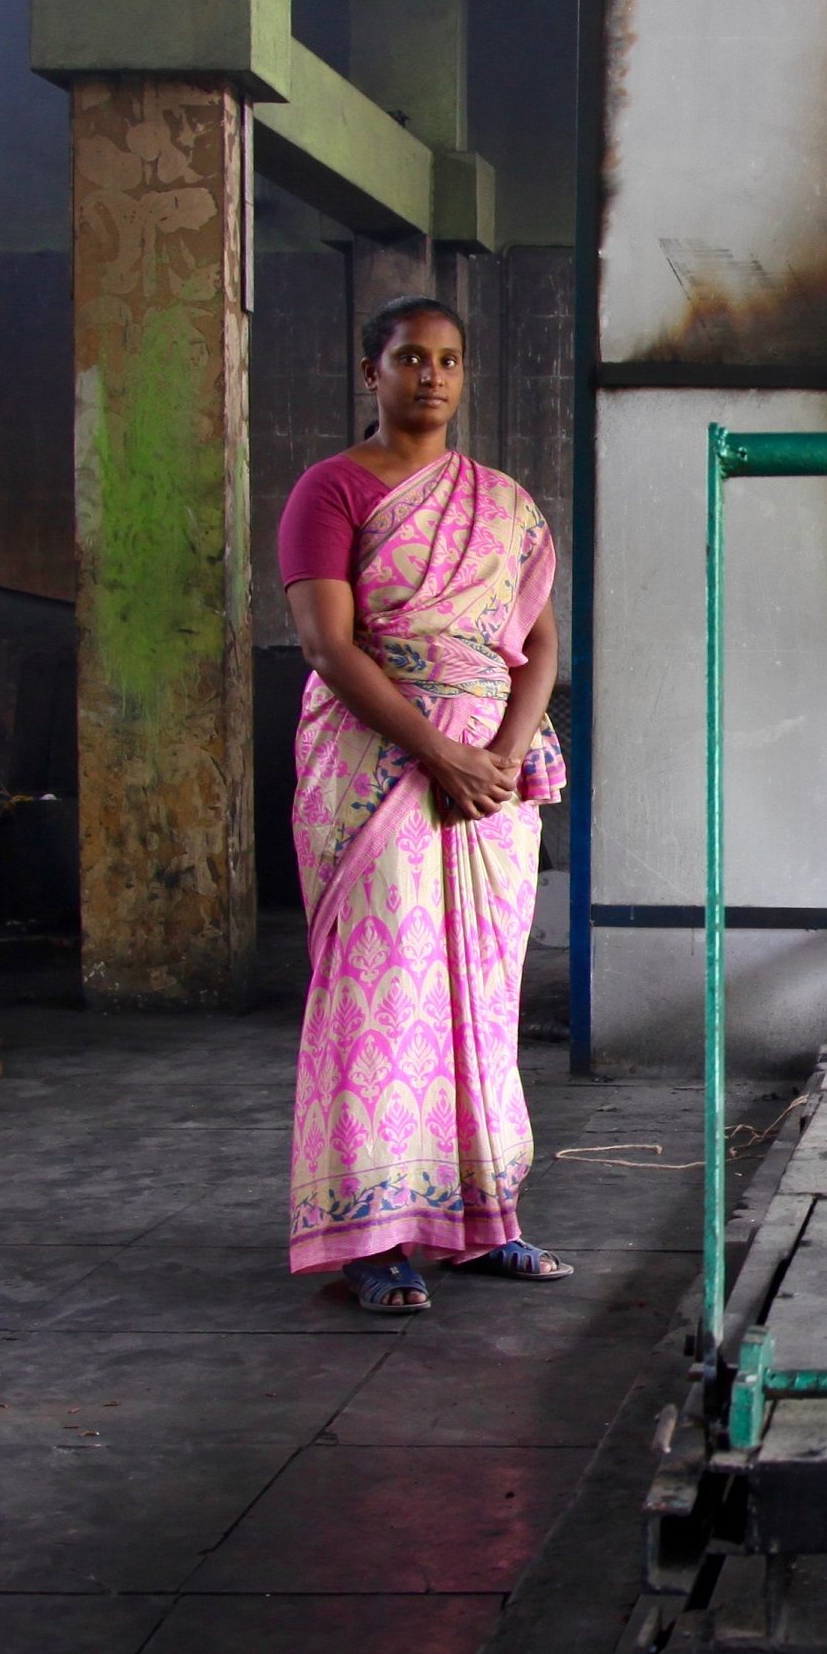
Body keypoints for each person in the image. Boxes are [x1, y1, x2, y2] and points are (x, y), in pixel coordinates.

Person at [278, 295, 574, 1312]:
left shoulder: (503, 502)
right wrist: (435, 750)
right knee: (384, 999)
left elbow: (539, 648)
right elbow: (328, 646)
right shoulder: (331, 491)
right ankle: (373, 1240)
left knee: (481, 1006)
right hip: (374, 772)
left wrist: (492, 752)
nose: (432, 376)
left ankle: (483, 1223)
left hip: (491, 782)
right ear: (373, 371)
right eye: (410, 357)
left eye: (449, 359)